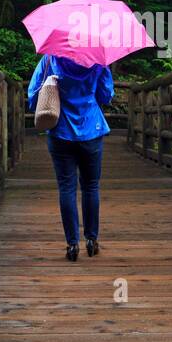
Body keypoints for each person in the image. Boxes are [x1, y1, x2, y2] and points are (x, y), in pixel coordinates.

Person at [26, 54, 114, 261]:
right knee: (91, 186)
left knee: (66, 187)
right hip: (92, 130)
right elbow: (106, 96)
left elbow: (33, 97)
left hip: (60, 132)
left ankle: (72, 244)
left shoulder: (50, 60)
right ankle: (91, 240)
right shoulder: (99, 60)